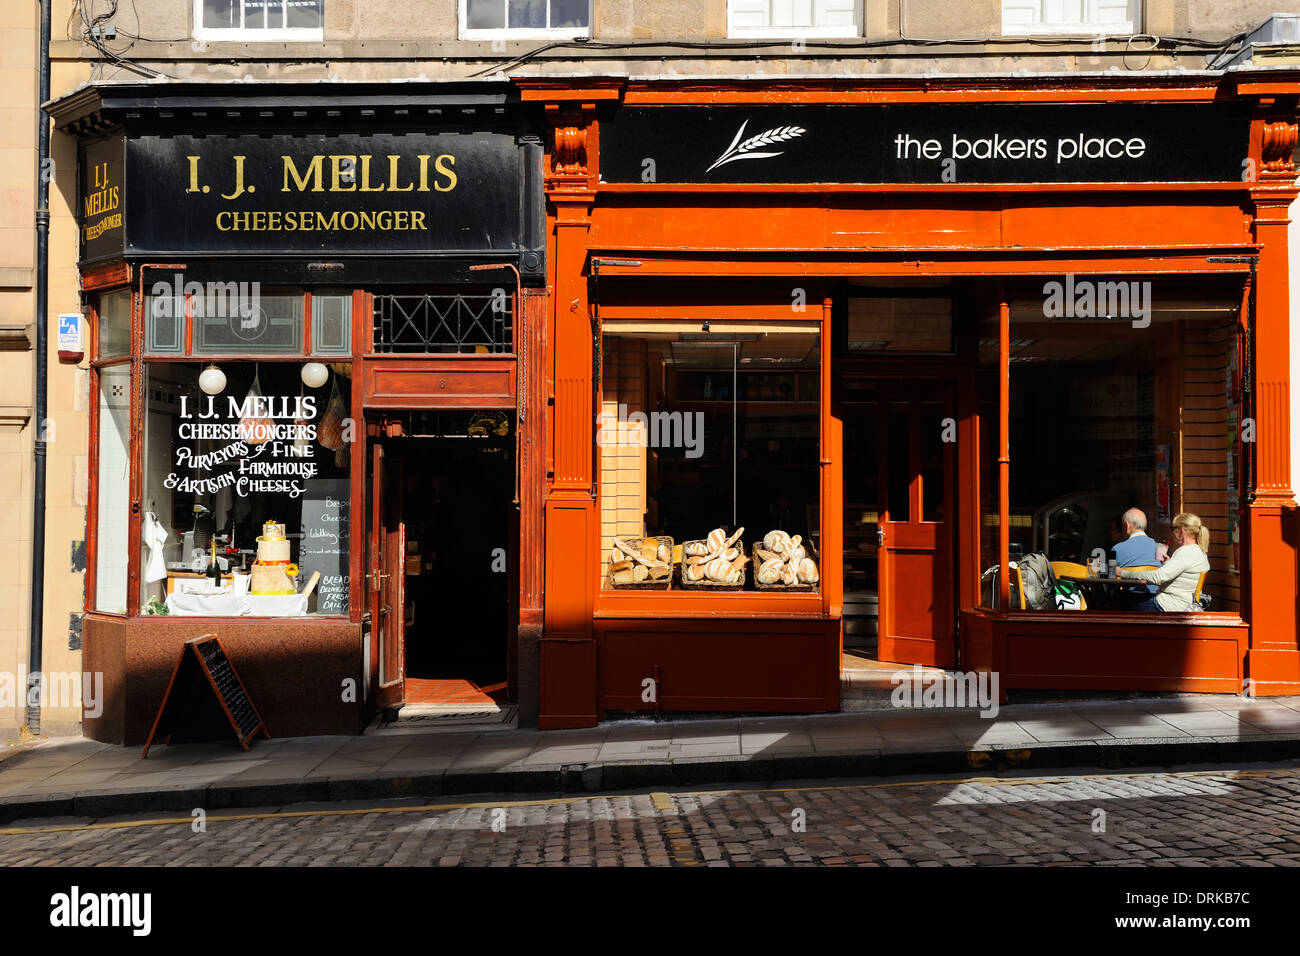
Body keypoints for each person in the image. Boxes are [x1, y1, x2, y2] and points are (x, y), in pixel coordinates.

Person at [1119, 513, 1211, 612]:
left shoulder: (1186, 551)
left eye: (1172, 529)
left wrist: (1122, 572)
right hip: (1183, 603)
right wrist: (1169, 562)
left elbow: (1158, 577)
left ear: (1181, 531)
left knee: (1121, 601)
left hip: (1169, 605)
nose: (1171, 534)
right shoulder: (1199, 551)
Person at [1111, 507, 1159, 606]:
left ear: (1127, 525)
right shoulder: (1158, 547)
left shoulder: (1117, 549)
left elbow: (1111, 579)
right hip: (1156, 598)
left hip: (1129, 601)